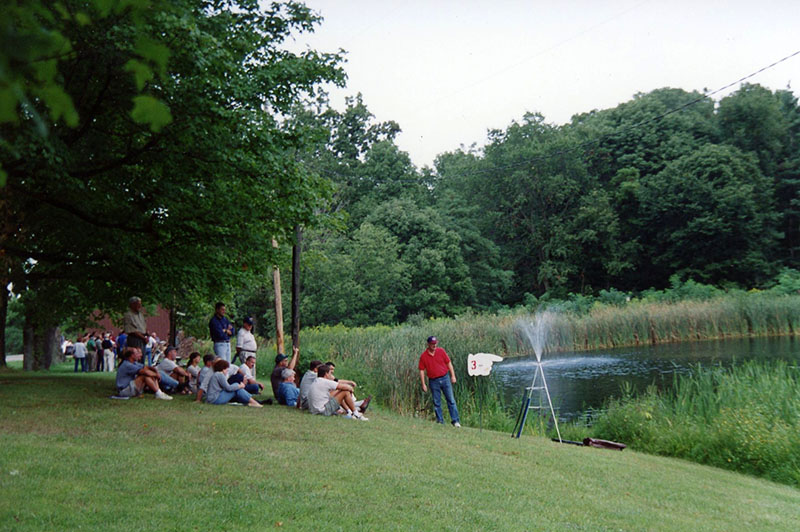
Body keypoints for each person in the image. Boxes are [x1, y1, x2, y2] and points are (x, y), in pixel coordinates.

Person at [418, 336, 461, 427]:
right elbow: (421, 370)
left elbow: (449, 363)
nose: (434, 345)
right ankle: (440, 421)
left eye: (435, 343)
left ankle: (455, 421)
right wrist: (423, 384)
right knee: (437, 402)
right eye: (432, 344)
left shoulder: (441, 351)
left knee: (451, 400)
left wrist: (453, 376)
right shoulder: (424, 356)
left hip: (445, 378)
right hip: (433, 381)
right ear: (428, 344)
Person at [123, 297, 149, 362]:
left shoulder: (140, 314)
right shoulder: (128, 315)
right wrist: (143, 338)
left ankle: (141, 370)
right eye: (138, 304)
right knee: (136, 358)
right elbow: (132, 331)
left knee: (141, 358)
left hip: (142, 339)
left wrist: (146, 335)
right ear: (132, 304)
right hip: (135, 339)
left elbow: (143, 326)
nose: (140, 306)